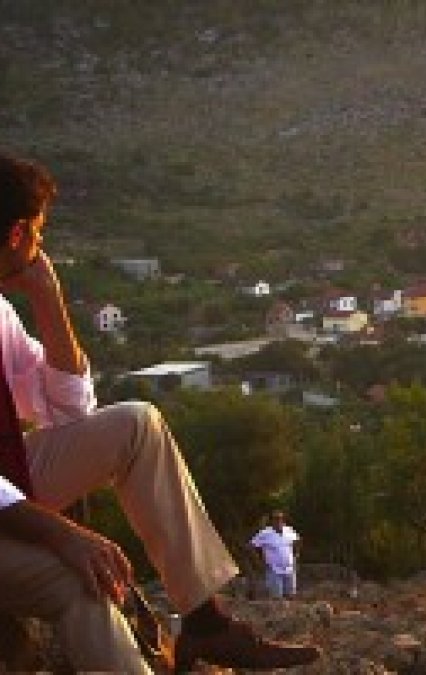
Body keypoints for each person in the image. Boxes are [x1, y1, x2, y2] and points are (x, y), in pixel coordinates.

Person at [0, 152, 320, 672]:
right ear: (17, 234)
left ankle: (205, 622)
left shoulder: (0, 313)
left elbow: (70, 411)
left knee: (137, 424)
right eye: (38, 233)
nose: (42, 247)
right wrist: (64, 535)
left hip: (10, 485)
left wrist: (48, 298)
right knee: (83, 580)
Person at [249, 511, 301, 599]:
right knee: (276, 598)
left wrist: (296, 556)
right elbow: (251, 546)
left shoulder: (289, 530)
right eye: (276, 519)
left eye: (281, 519)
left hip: (289, 569)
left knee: (291, 596)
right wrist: (258, 561)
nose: (279, 521)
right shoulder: (265, 534)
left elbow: (297, 542)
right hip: (274, 570)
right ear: (272, 521)